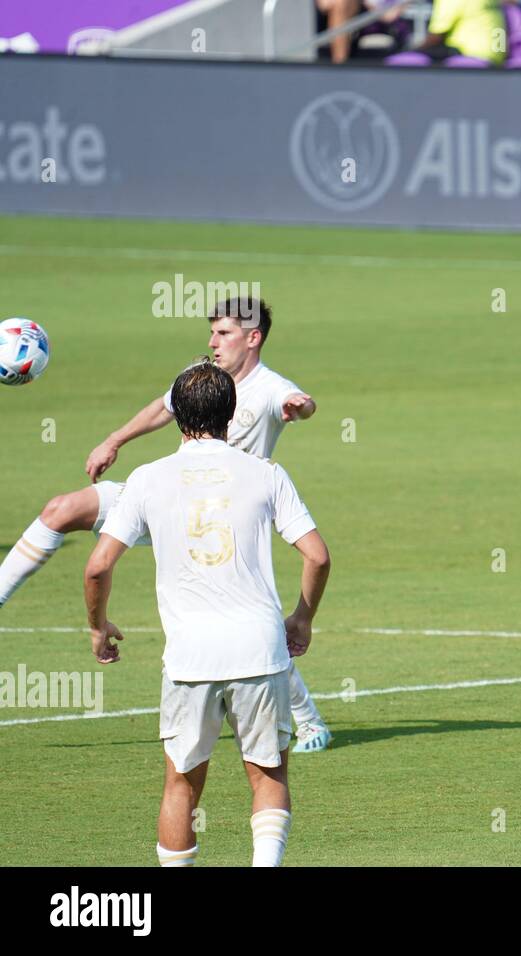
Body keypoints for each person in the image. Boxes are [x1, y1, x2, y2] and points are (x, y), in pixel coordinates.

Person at [0, 298, 334, 754]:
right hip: (170, 497)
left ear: (253, 338)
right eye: (212, 332)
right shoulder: (200, 381)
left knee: (240, 618)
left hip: (224, 518)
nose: (212, 342)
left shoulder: (271, 387)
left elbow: (298, 403)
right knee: (60, 509)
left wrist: (303, 405)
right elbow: (164, 408)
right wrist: (114, 440)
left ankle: (309, 720)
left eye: (224, 333)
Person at [84, 360, 331, 867]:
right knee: (268, 775)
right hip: (260, 650)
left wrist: (98, 627)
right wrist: (301, 618)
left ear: (176, 416)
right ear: (233, 411)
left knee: (180, 784)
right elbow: (318, 555)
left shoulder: (148, 479)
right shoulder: (266, 473)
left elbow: (97, 567)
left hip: (191, 658)